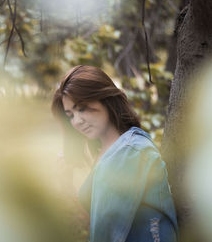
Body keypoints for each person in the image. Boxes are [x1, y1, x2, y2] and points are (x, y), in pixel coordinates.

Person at [52, 65, 178, 242]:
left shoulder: (129, 152)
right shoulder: (110, 150)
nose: (77, 121)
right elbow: (98, 219)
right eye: (70, 115)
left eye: (81, 108)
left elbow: (107, 233)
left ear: (105, 99)